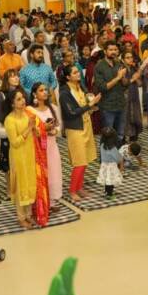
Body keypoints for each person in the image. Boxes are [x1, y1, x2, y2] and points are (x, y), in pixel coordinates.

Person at [59, 64, 101, 204]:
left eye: (78, 71)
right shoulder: (64, 93)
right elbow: (71, 113)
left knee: (86, 160)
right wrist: (89, 105)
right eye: (75, 72)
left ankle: (80, 187)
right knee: (79, 161)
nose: (78, 74)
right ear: (68, 77)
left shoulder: (80, 87)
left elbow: (83, 106)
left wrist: (91, 107)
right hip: (75, 129)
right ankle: (72, 190)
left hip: (86, 125)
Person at [4, 90, 39, 230]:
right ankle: (21, 217)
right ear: (12, 103)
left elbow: (34, 134)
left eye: (23, 98)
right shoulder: (9, 120)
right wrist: (29, 129)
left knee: (30, 182)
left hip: (29, 154)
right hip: (18, 156)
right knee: (20, 185)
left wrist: (34, 130)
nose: (23, 101)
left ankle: (29, 215)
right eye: (18, 99)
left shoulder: (27, 115)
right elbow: (15, 142)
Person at [27, 83, 63, 212]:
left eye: (46, 90)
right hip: (37, 147)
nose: (45, 92)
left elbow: (59, 125)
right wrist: (43, 130)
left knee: (53, 172)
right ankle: (39, 202)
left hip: (52, 145)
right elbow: (30, 129)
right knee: (40, 173)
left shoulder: (52, 107)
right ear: (34, 94)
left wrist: (54, 131)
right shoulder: (30, 110)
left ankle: (51, 201)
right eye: (41, 90)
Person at [93, 41, 128, 145]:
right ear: (105, 51)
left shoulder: (119, 64)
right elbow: (103, 87)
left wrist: (123, 77)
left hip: (121, 104)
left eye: (115, 50)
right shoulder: (99, 66)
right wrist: (118, 77)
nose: (113, 52)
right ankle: (105, 159)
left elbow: (126, 84)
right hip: (108, 106)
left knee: (120, 134)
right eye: (111, 50)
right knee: (108, 135)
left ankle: (119, 159)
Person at [96, 126, 123, 198]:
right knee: (111, 180)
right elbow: (118, 158)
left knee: (106, 179)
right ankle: (109, 194)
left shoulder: (102, 145)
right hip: (112, 166)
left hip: (104, 165)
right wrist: (121, 162)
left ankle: (106, 191)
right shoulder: (113, 148)